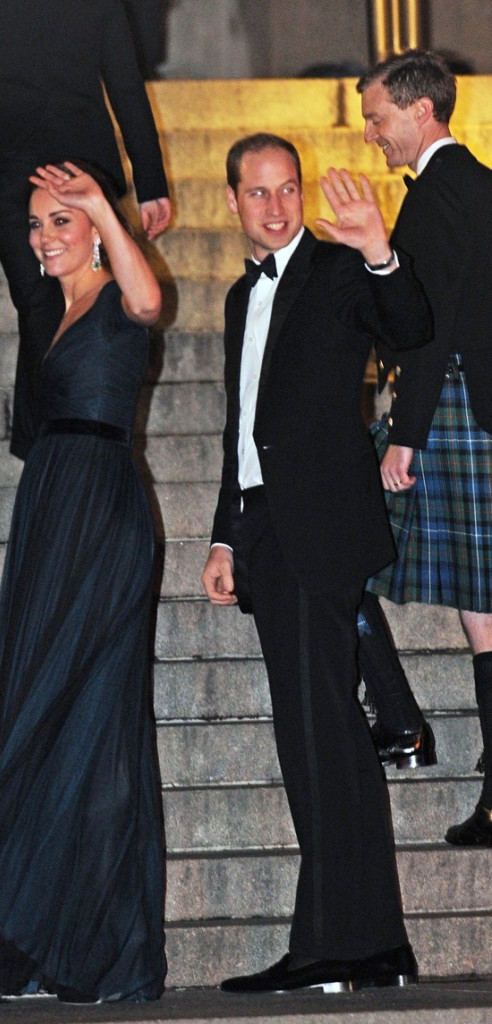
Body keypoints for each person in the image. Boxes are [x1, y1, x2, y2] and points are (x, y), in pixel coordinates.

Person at [201, 133, 432, 994]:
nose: (276, 205)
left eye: (288, 189)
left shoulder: (338, 273)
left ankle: (335, 942)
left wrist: (378, 251)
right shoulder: (238, 297)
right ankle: (371, 943)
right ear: (232, 201)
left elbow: (410, 324)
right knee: (325, 737)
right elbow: (241, 429)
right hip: (268, 536)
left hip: (323, 534)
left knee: (318, 738)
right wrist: (225, 534)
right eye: (258, 192)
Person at [0, 160, 166, 1003]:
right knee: (40, 719)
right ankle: (38, 933)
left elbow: (149, 302)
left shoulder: (118, 296)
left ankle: (106, 948)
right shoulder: (55, 312)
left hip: (102, 517)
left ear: (95, 229)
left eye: (59, 221)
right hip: (50, 513)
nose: (44, 236)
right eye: (37, 224)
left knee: (96, 727)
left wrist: (104, 209)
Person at [0, 0, 171, 461]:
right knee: (86, 294)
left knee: (38, 300)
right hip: (81, 162)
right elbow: (126, 86)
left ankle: (44, 446)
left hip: (5, 166)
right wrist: (151, 182)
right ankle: (63, 440)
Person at [356, 50, 492, 847]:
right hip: (471, 413)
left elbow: (432, 329)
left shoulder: (439, 194)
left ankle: (403, 721)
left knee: (325, 534)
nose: (373, 134)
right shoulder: (480, 184)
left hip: (453, 416)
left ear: (419, 111)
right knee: (484, 608)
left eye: (377, 117)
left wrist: (404, 437)